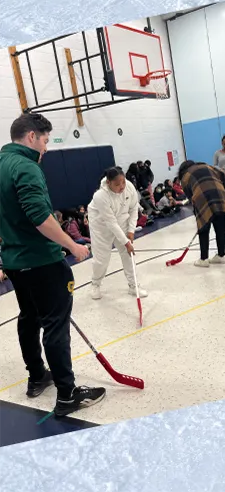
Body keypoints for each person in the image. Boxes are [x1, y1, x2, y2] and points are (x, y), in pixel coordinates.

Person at [0, 113, 104, 416]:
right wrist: (72, 245)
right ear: (32, 136)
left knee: (29, 316)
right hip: (42, 261)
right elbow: (40, 217)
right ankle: (68, 394)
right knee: (55, 323)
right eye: (45, 140)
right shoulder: (26, 167)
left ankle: (36, 376)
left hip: (16, 262)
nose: (46, 148)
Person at [86, 166, 146, 300]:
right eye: (117, 184)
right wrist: (126, 242)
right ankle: (95, 284)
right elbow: (110, 222)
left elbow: (133, 209)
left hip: (121, 220)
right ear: (108, 183)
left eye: (123, 181)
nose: (122, 186)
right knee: (102, 259)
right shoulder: (100, 196)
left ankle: (133, 286)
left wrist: (131, 230)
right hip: (101, 224)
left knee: (128, 254)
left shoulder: (129, 187)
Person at [177, 160, 225, 268]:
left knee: (204, 227)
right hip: (219, 194)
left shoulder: (185, 177)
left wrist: (199, 220)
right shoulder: (207, 166)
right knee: (220, 226)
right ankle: (221, 256)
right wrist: (221, 187)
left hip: (202, 198)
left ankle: (204, 259)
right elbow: (222, 174)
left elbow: (191, 199)